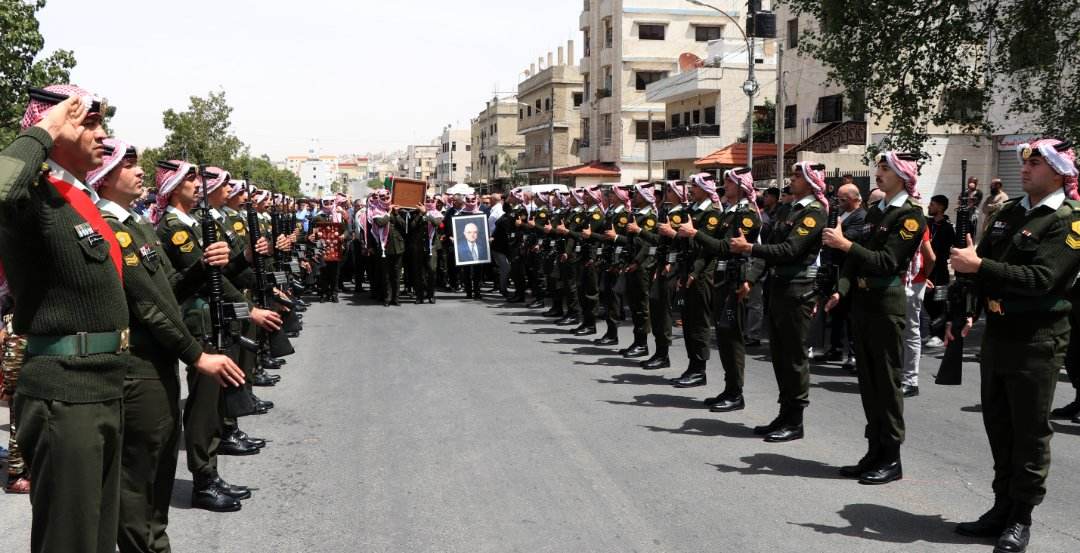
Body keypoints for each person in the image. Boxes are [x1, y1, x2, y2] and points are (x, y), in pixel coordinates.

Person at [88, 139, 244, 552]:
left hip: (158, 362)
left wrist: (200, 268)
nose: (139, 173)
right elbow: (147, 309)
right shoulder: (110, 228)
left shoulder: (135, 225)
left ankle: (157, 543)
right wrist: (196, 354)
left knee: (158, 468)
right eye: (128, 166)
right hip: (137, 363)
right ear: (103, 179)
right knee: (138, 475)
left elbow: (166, 294)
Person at [0, 85, 133, 553]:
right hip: (63, 392)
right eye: (89, 123)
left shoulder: (77, 197)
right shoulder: (30, 195)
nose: (103, 136)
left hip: (103, 386)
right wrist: (43, 128)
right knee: (68, 540)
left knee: (96, 538)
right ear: (56, 129)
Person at [949, 139, 1080, 553]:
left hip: (1037, 338)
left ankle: (1021, 517)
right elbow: (978, 264)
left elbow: (1043, 278)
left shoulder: (1069, 221)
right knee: (999, 426)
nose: (1025, 169)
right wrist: (966, 307)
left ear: (1059, 172)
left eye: (1036, 163)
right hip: (999, 333)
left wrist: (980, 266)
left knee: (1029, 433)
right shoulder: (1009, 212)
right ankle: (1001, 506)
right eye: (1024, 163)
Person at [824, 151, 926, 485]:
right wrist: (841, 289)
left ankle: (891, 457)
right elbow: (853, 263)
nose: (878, 173)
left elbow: (886, 260)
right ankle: (874, 450)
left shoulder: (910, 217)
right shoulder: (875, 213)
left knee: (886, 383)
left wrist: (845, 245)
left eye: (885, 169)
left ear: (901, 175)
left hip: (886, 304)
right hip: (863, 302)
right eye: (879, 167)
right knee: (868, 384)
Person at [731, 162, 828, 442]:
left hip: (798, 291)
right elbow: (767, 252)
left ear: (811, 182)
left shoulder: (814, 213)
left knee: (794, 358)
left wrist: (749, 247)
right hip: (778, 288)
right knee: (780, 356)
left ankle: (795, 420)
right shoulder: (788, 209)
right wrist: (750, 277)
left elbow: (789, 250)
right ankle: (784, 414)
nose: (792, 180)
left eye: (797, 177)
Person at [682, 168, 761, 412]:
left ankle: (736, 393)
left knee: (733, 339)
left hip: (734, 281)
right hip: (721, 279)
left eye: (729, 181)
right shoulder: (729, 212)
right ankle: (729, 389)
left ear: (741, 185)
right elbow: (712, 247)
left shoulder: (747, 214)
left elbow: (727, 247)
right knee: (724, 338)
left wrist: (696, 234)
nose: (724, 185)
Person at [664, 173, 722, 388]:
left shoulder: (712, 214)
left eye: (695, 187)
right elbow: (682, 244)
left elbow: (706, 249)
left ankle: (700, 369)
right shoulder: (692, 211)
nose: (691, 190)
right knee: (688, 322)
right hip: (687, 271)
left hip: (701, 274)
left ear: (706, 189)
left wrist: (693, 274)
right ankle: (692, 366)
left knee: (699, 323)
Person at [822, 183, 866, 372]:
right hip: (835, 267)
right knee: (836, 313)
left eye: (843, 199)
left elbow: (851, 237)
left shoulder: (861, 216)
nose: (839, 202)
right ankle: (835, 348)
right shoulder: (839, 215)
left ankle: (854, 355)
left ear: (856, 199)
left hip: (850, 269)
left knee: (850, 315)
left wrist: (836, 236)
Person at [924, 195, 955, 348]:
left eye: (933, 204)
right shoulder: (927, 223)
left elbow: (945, 251)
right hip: (927, 270)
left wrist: (931, 247)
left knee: (939, 302)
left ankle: (939, 335)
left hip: (940, 273)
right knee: (928, 303)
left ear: (941, 207)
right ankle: (933, 331)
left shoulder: (947, 228)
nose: (929, 206)